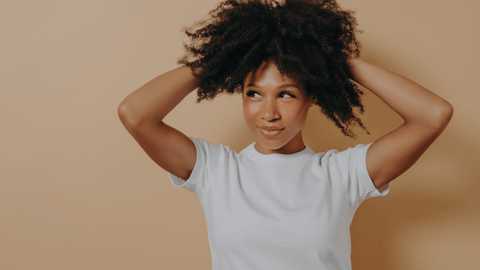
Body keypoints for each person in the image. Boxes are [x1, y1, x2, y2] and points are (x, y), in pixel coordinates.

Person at [118, 0, 453, 269]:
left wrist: (335, 61)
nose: (268, 112)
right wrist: (223, 54)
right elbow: (135, 114)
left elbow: (433, 115)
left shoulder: (343, 175)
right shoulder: (216, 171)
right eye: (254, 93)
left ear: (313, 96)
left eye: (287, 94)